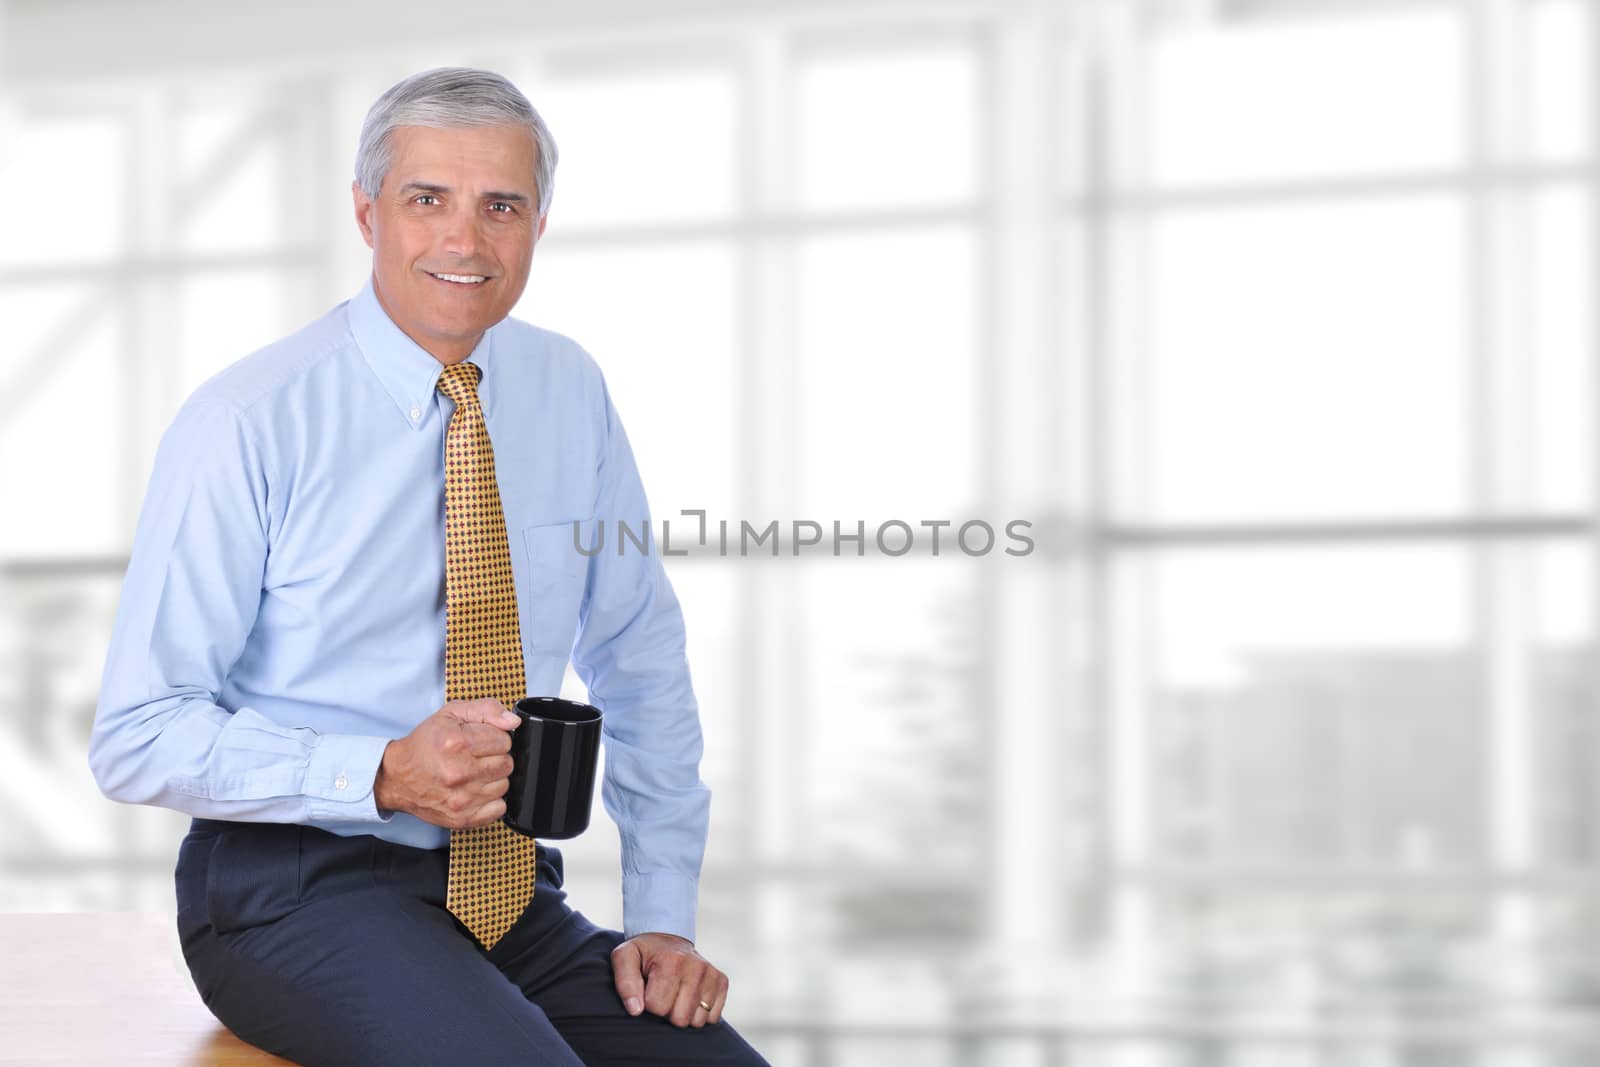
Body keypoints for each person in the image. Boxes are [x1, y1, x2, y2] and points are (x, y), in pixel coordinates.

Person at [88, 66, 768, 1066]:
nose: (465, 240)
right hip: (291, 894)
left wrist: (662, 916)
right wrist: (377, 772)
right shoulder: (246, 422)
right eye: (427, 201)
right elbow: (136, 734)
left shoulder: (566, 388)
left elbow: (638, 651)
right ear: (367, 214)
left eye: (501, 206)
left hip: (503, 891)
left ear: (539, 223)